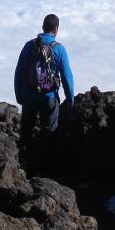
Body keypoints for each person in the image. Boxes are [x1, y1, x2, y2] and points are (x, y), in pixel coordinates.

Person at [14, 14, 74, 165]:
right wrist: (70, 100)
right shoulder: (59, 49)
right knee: (49, 131)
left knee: (26, 130)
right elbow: (67, 77)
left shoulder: (29, 45)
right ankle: (45, 164)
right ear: (56, 29)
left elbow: (18, 71)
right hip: (49, 98)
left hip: (28, 96)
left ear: (43, 27)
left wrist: (19, 95)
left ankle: (23, 161)